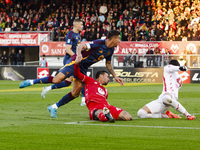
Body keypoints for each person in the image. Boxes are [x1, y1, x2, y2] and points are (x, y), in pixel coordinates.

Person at [19, 30, 123, 118]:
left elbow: (108, 63)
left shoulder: (110, 50)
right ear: (113, 38)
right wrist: (78, 55)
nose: (119, 41)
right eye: (118, 38)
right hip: (75, 62)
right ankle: (31, 81)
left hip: (83, 67)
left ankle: (53, 107)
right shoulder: (99, 43)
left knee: (75, 93)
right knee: (57, 79)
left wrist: (115, 76)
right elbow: (81, 46)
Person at [41, 19, 86, 106]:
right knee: (82, 77)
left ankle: (48, 88)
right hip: (70, 60)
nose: (82, 26)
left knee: (67, 82)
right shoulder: (70, 34)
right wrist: (77, 57)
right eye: (81, 24)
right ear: (76, 25)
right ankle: (84, 99)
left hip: (74, 59)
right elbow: (68, 50)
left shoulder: (78, 35)